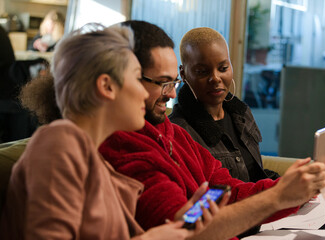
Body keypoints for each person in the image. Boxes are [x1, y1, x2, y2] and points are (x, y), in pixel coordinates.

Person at [99, 20, 325, 239]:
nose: (172, 94)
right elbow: (184, 232)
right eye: (162, 83)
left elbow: (225, 191)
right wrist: (278, 197)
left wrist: (295, 187)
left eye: (173, 83)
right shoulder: (126, 149)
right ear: (116, 83)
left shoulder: (175, 135)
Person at [0, 24, 226, 239]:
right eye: (138, 79)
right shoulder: (60, 142)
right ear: (106, 86)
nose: (144, 93)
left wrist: (181, 226)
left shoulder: (95, 160)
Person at [169, 27, 325, 182]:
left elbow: (254, 175)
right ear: (183, 74)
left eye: (223, 68)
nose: (215, 78)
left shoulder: (241, 114)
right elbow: (205, 201)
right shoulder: (178, 133)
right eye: (202, 71)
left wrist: (311, 173)